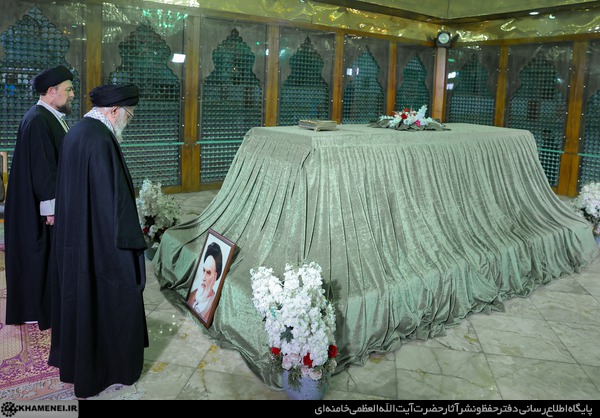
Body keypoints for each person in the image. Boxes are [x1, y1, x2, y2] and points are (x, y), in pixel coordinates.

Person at [48, 84, 148, 399]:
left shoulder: (78, 132)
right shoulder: (101, 140)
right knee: (111, 299)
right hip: (100, 245)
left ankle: (79, 364)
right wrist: (130, 247)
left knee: (80, 302)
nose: (129, 121)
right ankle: (110, 368)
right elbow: (113, 205)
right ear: (114, 110)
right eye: (129, 115)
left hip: (76, 239)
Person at [4, 65, 74, 330]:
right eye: (68, 89)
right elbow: (44, 169)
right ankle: (36, 309)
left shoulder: (48, 116)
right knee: (38, 255)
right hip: (37, 207)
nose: (72, 94)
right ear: (52, 91)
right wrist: (52, 210)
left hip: (40, 203)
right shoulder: (38, 119)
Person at [187, 241, 222, 322]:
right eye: (203, 270)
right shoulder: (193, 294)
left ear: (215, 277)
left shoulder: (212, 305)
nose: (203, 277)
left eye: (208, 273)